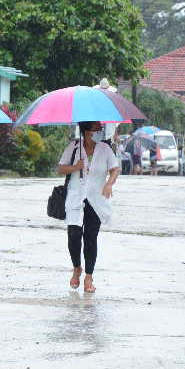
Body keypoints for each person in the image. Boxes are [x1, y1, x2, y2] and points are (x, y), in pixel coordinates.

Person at [57, 121, 120, 294]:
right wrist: (75, 167)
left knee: (90, 237)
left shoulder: (105, 149)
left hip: (96, 199)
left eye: (100, 129)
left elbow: (115, 169)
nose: (100, 131)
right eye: (96, 128)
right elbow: (60, 168)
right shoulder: (74, 147)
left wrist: (109, 184)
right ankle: (77, 267)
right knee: (74, 234)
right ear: (86, 131)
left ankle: (89, 276)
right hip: (76, 196)